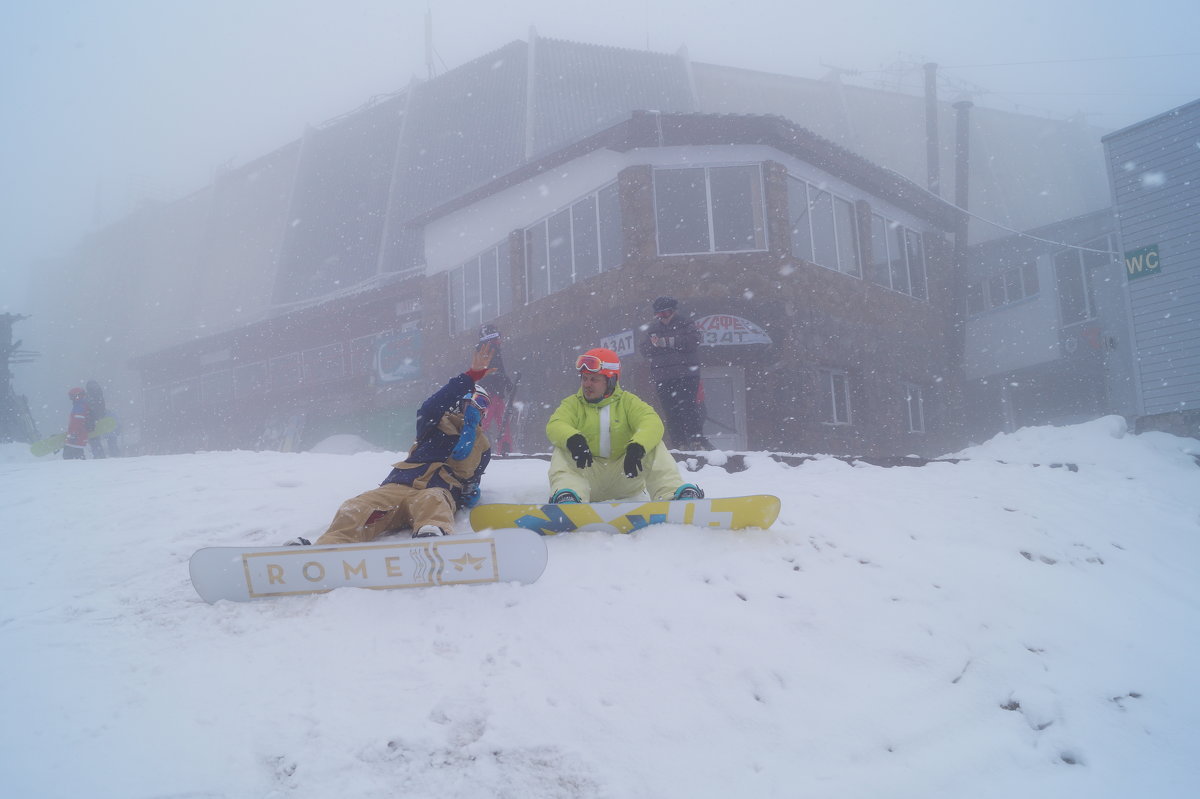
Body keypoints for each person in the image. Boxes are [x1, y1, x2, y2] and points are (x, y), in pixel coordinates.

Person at [286, 344, 496, 546]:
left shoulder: (482, 447)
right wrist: (470, 377)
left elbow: (472, 480)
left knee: (433, 501)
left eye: (484, 403)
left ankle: (433, 536)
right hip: (397, 487)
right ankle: (327, 547)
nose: (479, 407)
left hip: (437, 489)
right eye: (474, 400)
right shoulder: (437, 424)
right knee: (357, 507)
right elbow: (430, 405)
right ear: (462, 401)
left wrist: (469, 492)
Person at [545, 347, 703, 504]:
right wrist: (573, 440)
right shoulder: (572, 404)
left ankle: (672, 495)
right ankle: (567, 499)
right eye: (584, 378)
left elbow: (652, 422)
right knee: (563, 447)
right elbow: (555, 424)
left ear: (611, 380)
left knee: (653, 445)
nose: (587, 384)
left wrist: (638, 447)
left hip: (627, 474)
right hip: (586, 478)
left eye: (594, 379)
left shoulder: (629, 402)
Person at [639, 296, 712, 449]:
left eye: (665, 314)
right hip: (663, 377)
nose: (662, 319)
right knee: (671, 412)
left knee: (688, 408)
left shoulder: (686, 324)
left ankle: (696, 440)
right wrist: (659, 345)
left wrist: (665, 342)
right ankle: (679, 443)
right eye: (659, 315)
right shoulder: (653, 329)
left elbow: (693, 341)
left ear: (673, 312)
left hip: (686, 375)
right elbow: (645, 349)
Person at [475, 324, 516, 454]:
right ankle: (504, 449)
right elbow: (492, 372)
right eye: (498, 337)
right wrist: (505, 380)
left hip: (491, 393)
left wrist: (504, 380)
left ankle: (475, 449)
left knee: (488, 423)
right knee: (500, 423)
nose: (500, 340)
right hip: (492, 393)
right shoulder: (491, 350)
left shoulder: (487, 350)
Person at [63, 387, 90, 460]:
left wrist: (73, 434)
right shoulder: (81, 404)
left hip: (76, 437)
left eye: (72, 396)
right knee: (78, 456)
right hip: (78, 436)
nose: (71, 399)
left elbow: (77, 422)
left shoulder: (80, 406)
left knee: (69, 457)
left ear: (77, 396)